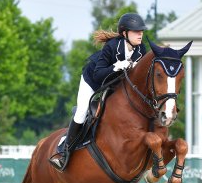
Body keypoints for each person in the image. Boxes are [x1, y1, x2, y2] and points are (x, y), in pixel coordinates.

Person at [49, 12, 148, 171]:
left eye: (141, 31)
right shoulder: (112, 46)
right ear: (124, 33)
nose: (140, 34)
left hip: (115, 84)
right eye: (136, 31)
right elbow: (98, 74)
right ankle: (64, 152)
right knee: (82, 112)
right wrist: (116, 66)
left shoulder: (141, 50)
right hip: (92, 81)